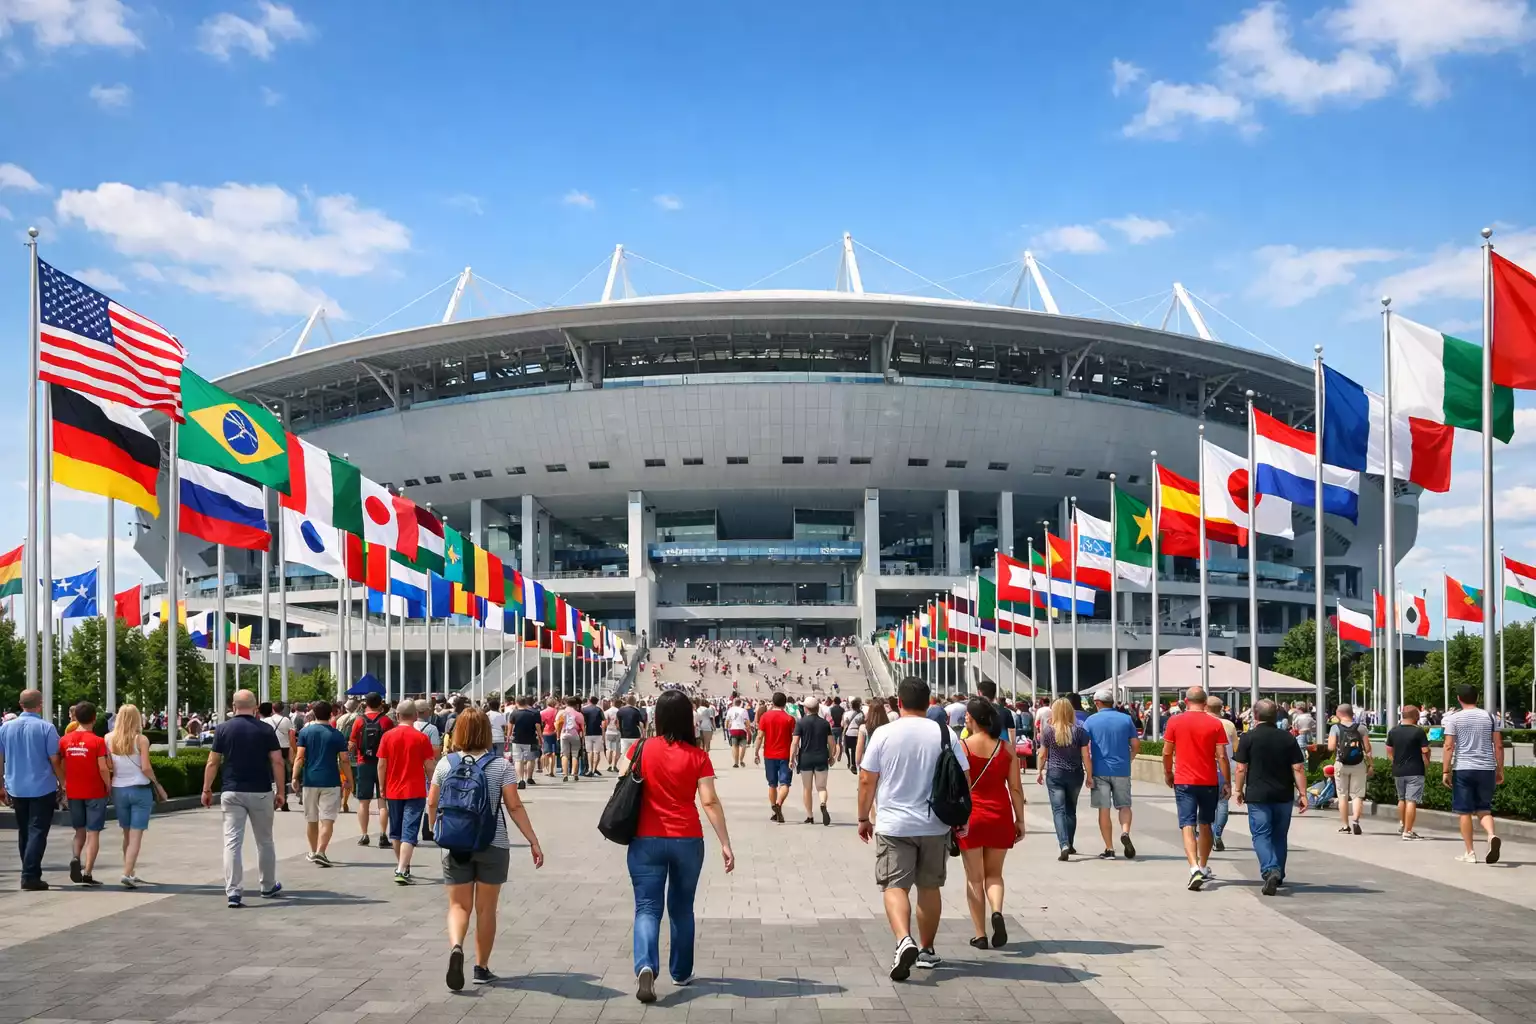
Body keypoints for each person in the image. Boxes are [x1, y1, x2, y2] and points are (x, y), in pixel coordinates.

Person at [623, 690, 735, 1004]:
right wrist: (725, 843)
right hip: (687, 838)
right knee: (682, 909)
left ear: (657, 717)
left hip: (645, 839)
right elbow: (709, 801)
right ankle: (681, 972)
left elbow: (622, 779)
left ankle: (645, 965)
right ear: (689, 719)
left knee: (647, 908)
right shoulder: (698, 756)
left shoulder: (640, 748)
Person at [857, 676, 969, 981]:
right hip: (935, 823)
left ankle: (903, 939)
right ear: (928, 701)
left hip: (894, 823)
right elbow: (963, 777)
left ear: (899, 702)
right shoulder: (945, 733)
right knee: (929, 888)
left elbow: (867, 779)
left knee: (895, 885)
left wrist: (863, 816)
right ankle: (927, 950)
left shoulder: (883, 733)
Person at [427, 707, 544, 989]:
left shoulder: (446, 763)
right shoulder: (500, 766)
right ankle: (481, 967)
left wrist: (436, 831)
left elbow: (431, 802)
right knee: (486, 909)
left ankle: (456, 947)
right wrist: (533, 840)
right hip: (493, 842)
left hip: (456, 843)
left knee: (458, 905)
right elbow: (513, 806)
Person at [202, 689, 284, 908]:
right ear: (255, 706)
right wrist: (281, 791)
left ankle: (234, 892)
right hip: (260, 790)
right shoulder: (266, 730)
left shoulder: (222, 729)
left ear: (233, 706)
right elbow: (277, 761)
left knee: (232, 843)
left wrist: (206, 789)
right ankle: (267, 886)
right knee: (265, 840)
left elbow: (213, 762)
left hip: (231, 791)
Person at [958, 697, 1025, 950]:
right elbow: (1016, 789)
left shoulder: (962, 747)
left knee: (974, 878)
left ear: (972, 719)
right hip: (1000, 815)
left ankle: (980, 934)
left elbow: (959, 786)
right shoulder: (1006, 749)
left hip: (971, 818)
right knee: (994, 874)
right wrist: (1020, 820)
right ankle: (997, 911)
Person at [1232, 699, 1308, 896]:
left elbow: (1241, 768)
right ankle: (1279, 873)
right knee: (1279, 836)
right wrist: (1303, 794)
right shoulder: (1288, 738)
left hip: (1258, 796)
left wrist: (1238, 790)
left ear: (1255, 716)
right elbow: (1298, 767)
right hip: (1283, 795)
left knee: (1261, 835)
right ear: (1277, 716)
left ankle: (1270, 869)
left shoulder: (1248, 738)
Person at [1161, 685, 1230, 890]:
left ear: (1186, 700)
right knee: (1206, 824)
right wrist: (1226, 782)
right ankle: (1203, 864)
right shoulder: (1215, 724)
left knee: (1187, 824)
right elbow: (1222, 756)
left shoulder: (1175, 721)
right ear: (1206, 702)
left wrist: (1168, 773)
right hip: (1208, 780)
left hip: (1184, 780)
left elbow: (1166, 752)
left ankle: (1193, 868)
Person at [0, 689, 64, 890]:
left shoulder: (5, 728)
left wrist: (0, 785)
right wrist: (63, 782)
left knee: (25, 831)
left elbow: (0, 758)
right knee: (37, 830)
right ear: (40, 704)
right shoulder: (47, 728)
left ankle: (31, 872)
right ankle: (29, 875)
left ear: (20, 705)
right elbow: (55, 759)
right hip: (42, 787)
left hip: (16, 786)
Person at [103, 703, 167, 888]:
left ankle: (129, 870)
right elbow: (146, 767)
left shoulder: (108, 738)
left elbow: (109, 766)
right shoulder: (141, 740)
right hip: (139, 790)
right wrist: (158, 785)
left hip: (119, 789)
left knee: (126, 834)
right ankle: (127, 873)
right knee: (136, 835)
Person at [1442, 683, 1503, 864]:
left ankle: (1470, 852)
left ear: (1459, 699)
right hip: (1486, 768)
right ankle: (1491, 836)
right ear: (1477, 698)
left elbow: (1448, 746)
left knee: (1464, 811)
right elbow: (1498, 745)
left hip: (1464, 768)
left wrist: (1446, 770)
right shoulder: (1490, 718)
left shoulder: (1454, 719)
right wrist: (1499, 769)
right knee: (1484, 808)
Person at [377, 699, 436, 883]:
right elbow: (429, 765)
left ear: (397, 716)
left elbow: (381, 764)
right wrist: (432, 783)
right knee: (409, 830)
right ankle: (402, 868)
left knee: (395, 832)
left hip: (393, 789)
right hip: (416, 789)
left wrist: (381, 786)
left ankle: (402, 865)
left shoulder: (387, 736)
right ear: (416, 715)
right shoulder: (421, 738)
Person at [292, 700, 352, 867]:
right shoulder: (336, 734)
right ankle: (321, 851)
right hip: (331, 781)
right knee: (327, 819)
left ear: (313, 714)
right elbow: (344, 760)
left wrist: (295, 777)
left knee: (311, 819)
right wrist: (349, 780)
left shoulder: (305, 733)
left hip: (310, 780)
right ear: (332, 713)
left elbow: (299, 757)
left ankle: (312, 852)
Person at [1083, 687, 1138, 860]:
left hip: (1099, 770)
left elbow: (1084, 749)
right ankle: (1125, 832)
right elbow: (1136, 745)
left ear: (1098, 703)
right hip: (1122, 769)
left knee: (1104, 810)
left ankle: (1109, 848)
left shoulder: (1091, 721)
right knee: (1124, 805)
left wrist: (1088, 773)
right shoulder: (1126, 719)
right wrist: (1128, 759)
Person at [60, 701, 110, 886]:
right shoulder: (97, 741)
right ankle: (88, 873)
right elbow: (103, 768)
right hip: (95, 791)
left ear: (75, 717)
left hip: (74, 791)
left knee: (79, 830)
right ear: (94, 718)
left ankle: (75, 856)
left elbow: (61, 764)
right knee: (93, 832)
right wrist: (108, 785)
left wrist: (64, 783)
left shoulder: (65, 741)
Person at [1036, 697, 1092, 861]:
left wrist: (1039, 771)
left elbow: (1042, 754)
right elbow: (1085, 756)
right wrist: (1089, 775)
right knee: (1070, 809)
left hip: (1055, 774)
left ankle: (1064, 844)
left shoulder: (1048, 731)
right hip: (1075, 774)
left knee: (1058, 810)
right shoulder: (1080, 731)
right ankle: (1070, 843)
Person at [348, 692, 393, 847]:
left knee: (363, 802)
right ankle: (383, 835)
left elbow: (352, 743)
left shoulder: (359, 721)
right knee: (382, 801)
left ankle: (364, 835)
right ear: (381, 703)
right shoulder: (386, 721)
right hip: (383, 763)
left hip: (363, 762)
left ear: (365, 703)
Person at [1386, 705, 1431, 841]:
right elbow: (1425, 750)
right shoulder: (1418, 732)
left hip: (1398, 770)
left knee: (1401, 799)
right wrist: (1427, 761)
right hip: (1415, 770)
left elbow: (1389, 750)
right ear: (1416, 717)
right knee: (1411, 800)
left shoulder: (1393, 731)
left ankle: (1403, 824)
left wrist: (1395, 761)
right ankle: (1408, 831)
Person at [1327, 703, 1372, 836]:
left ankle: (1345, 825)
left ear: (1339, 714)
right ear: (1352, 713)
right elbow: (1368, 749)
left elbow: (1331, 747)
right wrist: (1371, 765)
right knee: (1357, 794)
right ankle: (1356, 821)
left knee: (1342, 795)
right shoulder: (1362, 728)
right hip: (1358, 764)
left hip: (1341, 764)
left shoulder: (1335, 728)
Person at [753, 692, 796, 823]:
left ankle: (774, 809)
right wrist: (794, 756)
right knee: (785, 783)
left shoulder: (765, 717)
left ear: (773, 702)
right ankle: (778, 804)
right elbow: (794, 739)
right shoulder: (789, 719)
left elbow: (760, 736)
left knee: (772, 784)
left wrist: (756, 752)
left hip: (769, 754)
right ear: (785, 704)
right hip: (785, 754)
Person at [791, 697, 834, 826]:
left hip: (806, 758)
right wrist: (831, 756)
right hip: (821, 757)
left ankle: (810, 815)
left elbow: (795, 742)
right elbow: (831, 743)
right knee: (821, 787)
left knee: (807, 788)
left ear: (806, 708)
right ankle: (823, 803)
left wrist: (791, 757)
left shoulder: (801, 723)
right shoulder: (825, 723)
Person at [1207, 695, 1238, 852]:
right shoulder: (1229, 724)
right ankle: (1217, 834)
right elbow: (1236, 748)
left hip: (1204, 767)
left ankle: (1207, 833)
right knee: (1223, 802)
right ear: (1221, 709)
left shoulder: (1202, 723)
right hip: (1224, 767)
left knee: (1205, 804)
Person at [261, 701, 296, 811]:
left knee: (271, 774)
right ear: (282, 709)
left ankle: (271, 801)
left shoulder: (265, 721)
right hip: (284, 748)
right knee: (283, 774)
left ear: (273, 709)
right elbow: (291, 736)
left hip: (269, 748)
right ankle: (283, 801)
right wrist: (293, 749)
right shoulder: (286, 720)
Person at [508, 696, 541, 789]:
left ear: (517, 703)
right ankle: (529, 777)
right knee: (531, 759)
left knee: (518, 760)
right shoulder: (534, 713)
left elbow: (510, 727)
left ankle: (520, 779)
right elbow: (538, 726)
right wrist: (540, 737)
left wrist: (508, 738)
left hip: (517, 740)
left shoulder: (514, 713)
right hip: (531, 740)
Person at [555, 697, 585, 782]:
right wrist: (583, 738)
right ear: (575, 705)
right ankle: (574, 774)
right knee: (575, 754)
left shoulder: (561, 712)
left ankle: (565, 774)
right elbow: (583, 727)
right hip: (575, 734)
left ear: (566, 703)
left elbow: (557, 724)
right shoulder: (578, 714)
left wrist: (557, 735)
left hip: (564, 734)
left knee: (564, 754)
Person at [724, 697, 752, 768]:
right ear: (740, 704)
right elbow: (747, 721)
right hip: (742, 729)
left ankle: (735, 762)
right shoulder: (743, 710)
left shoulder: (730, 710)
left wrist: (726, 727)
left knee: (734, 746)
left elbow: (727, 720)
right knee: (743, 746)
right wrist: (748, 728)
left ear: (734, 703)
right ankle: (741, 760)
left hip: (733, 729)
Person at [582, 697, 605, 778]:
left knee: (589, 752)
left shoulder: (584, 710)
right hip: (598, 733)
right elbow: (603, 722)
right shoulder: (599, 710)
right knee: (596, 752)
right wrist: (603, 734)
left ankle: (590, 769)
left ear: (589, 701)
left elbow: (583, 722)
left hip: (588, 733)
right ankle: (594, 769)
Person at [842, 698, 864, 773]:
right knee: (854, 749)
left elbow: (843, 724)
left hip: (848, 732)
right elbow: (862, 723)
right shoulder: (861, 714)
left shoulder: (847, 713)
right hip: (857, 732)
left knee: (847, 748)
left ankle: (849, 762)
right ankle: (854, 765)